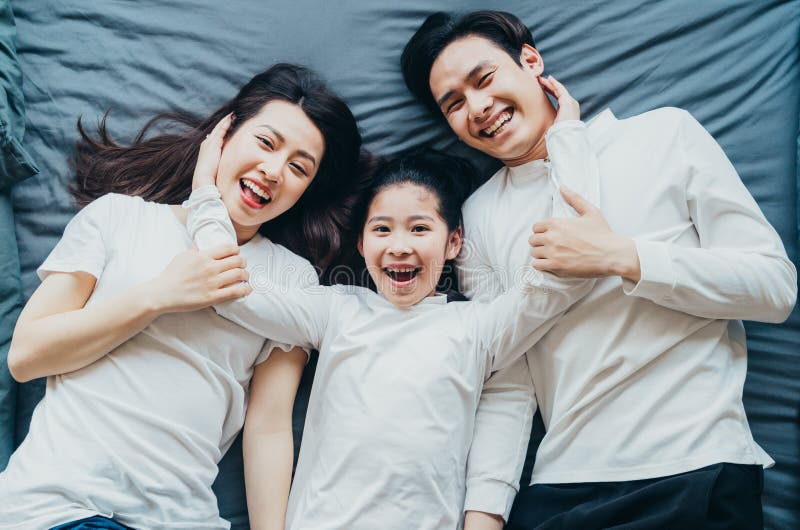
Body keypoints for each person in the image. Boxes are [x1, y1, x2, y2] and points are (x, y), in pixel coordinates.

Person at [401, 10, 797, 530]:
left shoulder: (663, 135)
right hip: (560, 486)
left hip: (695, 464)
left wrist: (623, 258)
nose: (477, 107)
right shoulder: (477, 216)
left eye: (485, 78)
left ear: (530, 61)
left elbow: (773, 288)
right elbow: (508, 378)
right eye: (453, 103)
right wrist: (486, 512)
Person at [181, 85, 597, 529]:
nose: (399, 247)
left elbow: (563, 271)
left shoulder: (480, 327)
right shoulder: (337, 311)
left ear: (454, 242)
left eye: (420, 229)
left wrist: (565, 136)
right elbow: (230, 288)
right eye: (382, 230)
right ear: (361, 245)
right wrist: (206, 193)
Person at [0, 63, 362, 530]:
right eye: (266, 143)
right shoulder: (119, 218)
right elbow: (27, 356)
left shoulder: (291, 279)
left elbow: (268, 426)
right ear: (224, 134)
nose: (273, 171)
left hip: (178, 517)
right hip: (60, 506)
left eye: (298, 167)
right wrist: (158, 296)